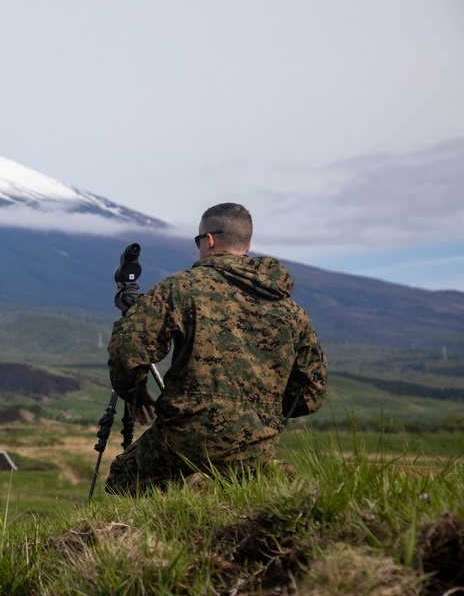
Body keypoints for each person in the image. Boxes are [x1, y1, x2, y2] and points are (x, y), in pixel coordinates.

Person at [105, 202, 327, 495]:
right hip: (258, 442)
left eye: (199, 241)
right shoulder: (291, 309)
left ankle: (197, 489)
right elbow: (311, 392)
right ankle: (263, 476)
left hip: (187, 436)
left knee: (123, 477)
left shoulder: (180, 288)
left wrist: (134, 392)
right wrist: (259, 413)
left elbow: (127, 351)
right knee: (242, 470)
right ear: (247, 244)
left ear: (208, 240)